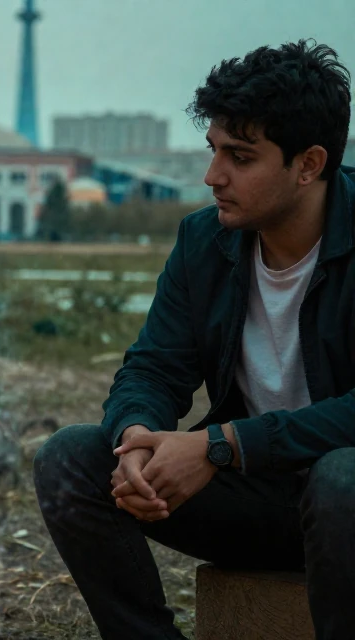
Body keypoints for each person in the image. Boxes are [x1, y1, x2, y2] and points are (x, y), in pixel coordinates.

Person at [33, 40, 355, 640]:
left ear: (309, 164)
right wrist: (134, 438)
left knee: (344, 479)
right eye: (213, 151)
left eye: (240, 156)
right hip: (258, 498)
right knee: (71, 459)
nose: (213, 177)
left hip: (341, 498)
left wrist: (221, 445)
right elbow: (154, 367)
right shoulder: (205, 241)